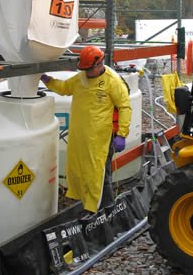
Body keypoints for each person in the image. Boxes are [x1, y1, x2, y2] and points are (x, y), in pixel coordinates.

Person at [40, 45, 131, 214]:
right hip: (80, 135)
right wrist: (49, 81)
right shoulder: (82, 77)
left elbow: (125, 107)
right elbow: (65, 88)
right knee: (81, 169)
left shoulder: (113, 81)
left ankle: (106, 210)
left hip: (101, 137)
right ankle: (89, 204)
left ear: (99, 65)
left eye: (88, 69)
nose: (86, 73)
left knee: (99, 173)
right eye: (84, 69)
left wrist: (122, 134)